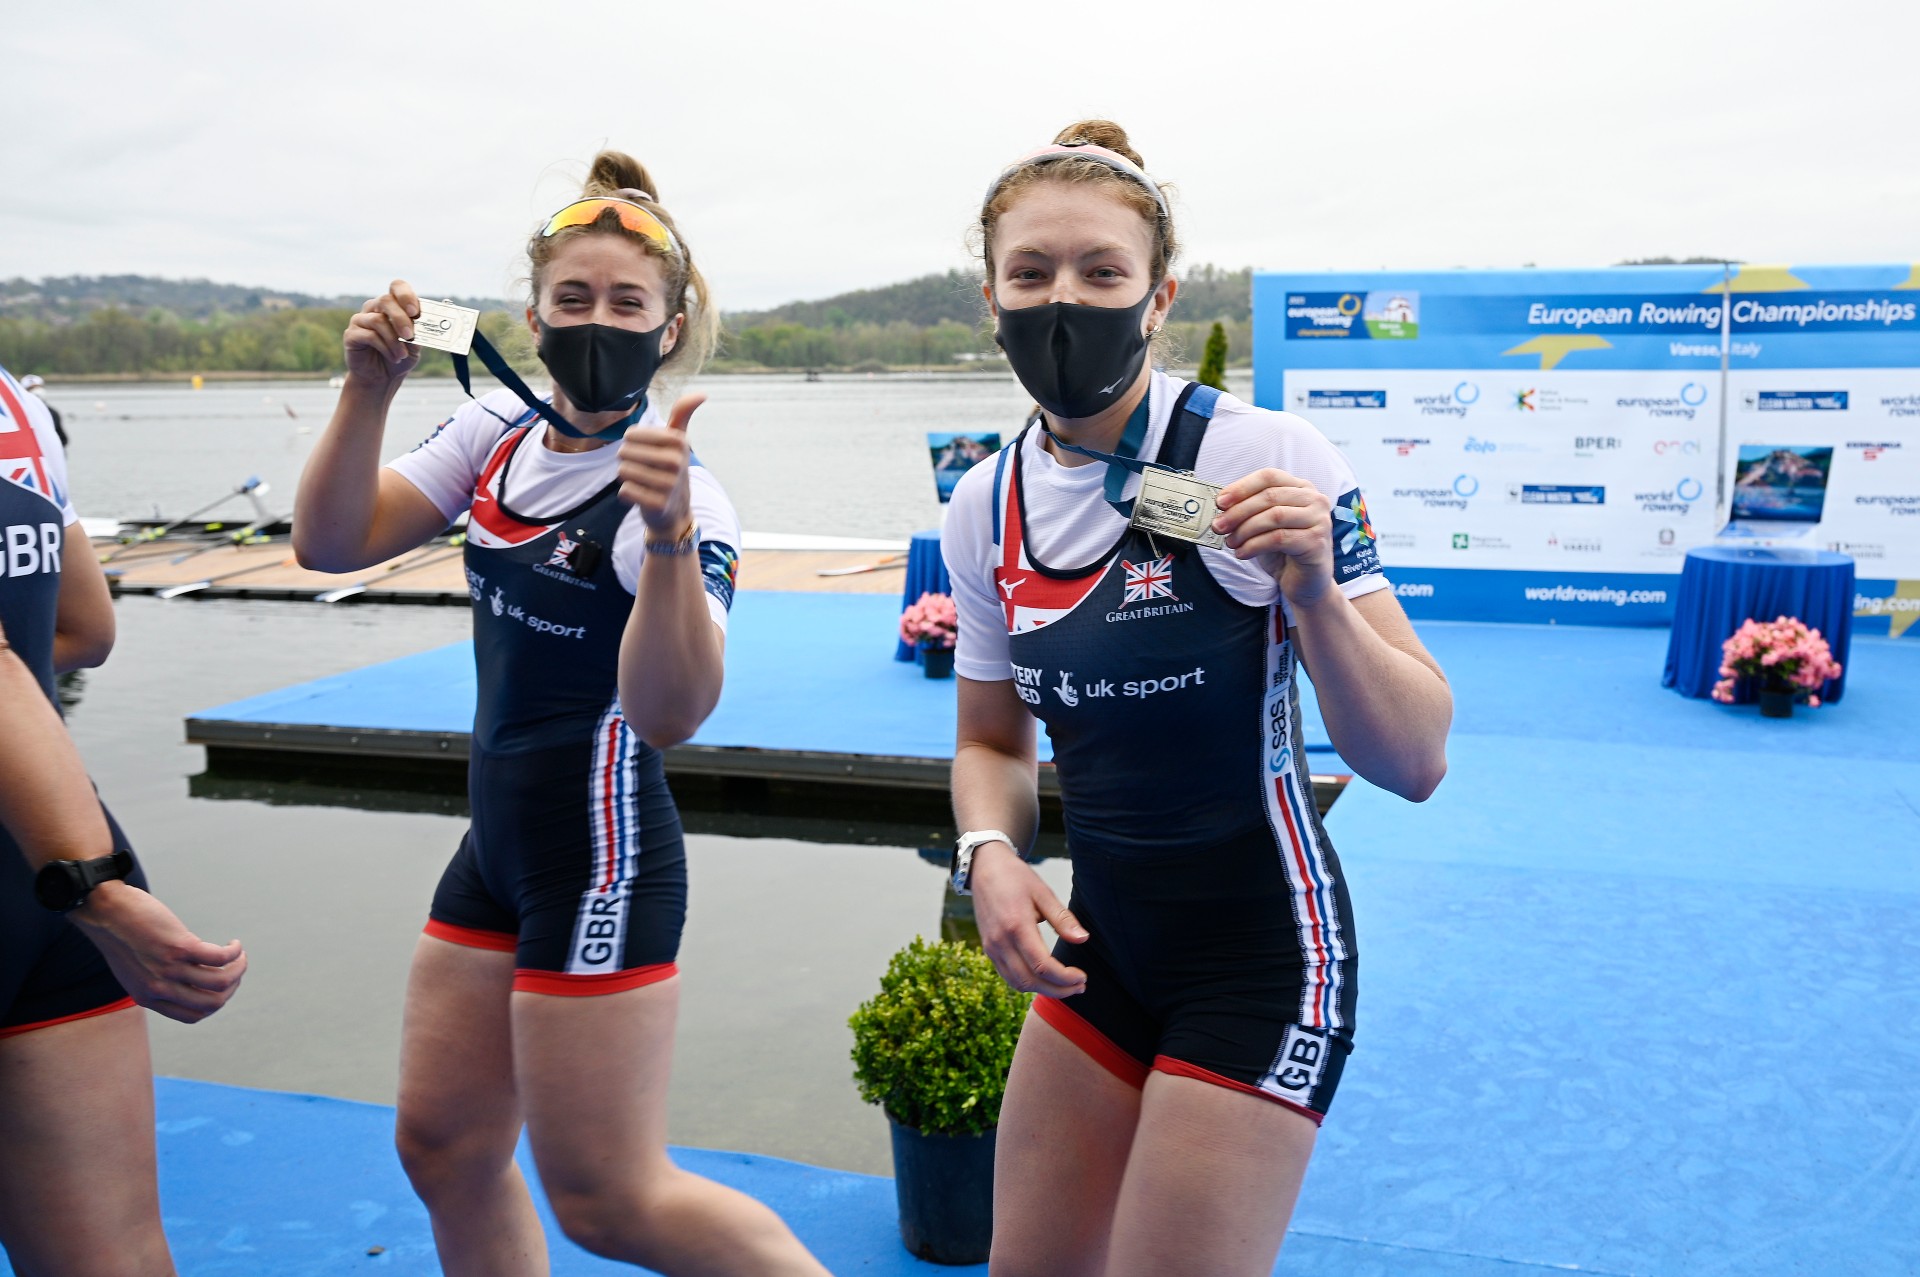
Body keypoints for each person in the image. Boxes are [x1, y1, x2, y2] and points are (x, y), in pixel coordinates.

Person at [294, 152, 827, 1277]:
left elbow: (672, 711)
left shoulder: (678, 494)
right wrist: (368, 387)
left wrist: (673, 540)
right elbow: (332, 543)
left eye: (626, 303)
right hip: (499, 842)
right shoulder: (494, 429)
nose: (597, 320)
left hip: (600, 855)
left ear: (669, 326)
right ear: (532, 315)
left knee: (609, 1199)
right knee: (442, 1145)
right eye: (573, 298)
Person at [941, 122, 1453, 1277]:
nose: (1062, 298)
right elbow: (987, 738)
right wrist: (988, 850)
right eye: (1031, 272)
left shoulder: (1267, 456)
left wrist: (1316, 594)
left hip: (1264, 954)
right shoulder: (982, 504)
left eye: (1100, 271)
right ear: (990, 296)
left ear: (1159, 295)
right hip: (1102, 947)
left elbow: (1416, 758)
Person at [0, 364, 247, 1275]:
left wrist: (93, 889)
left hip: (71, 871)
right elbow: (81, 629)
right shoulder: (22, 405)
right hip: (46, 862)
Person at [18, 375, 67, 447]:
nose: (37, 391)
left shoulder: (52, 413)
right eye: (31, 388)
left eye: (38, 387)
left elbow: (63, 439)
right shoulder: (19, 413)